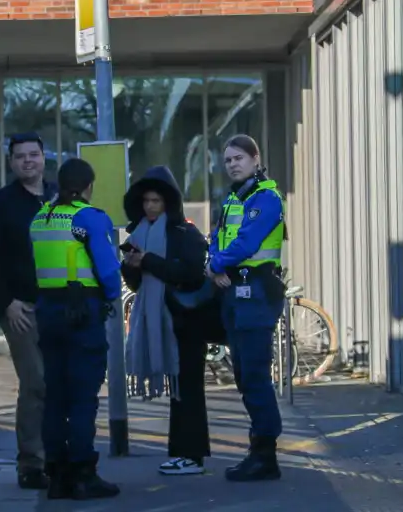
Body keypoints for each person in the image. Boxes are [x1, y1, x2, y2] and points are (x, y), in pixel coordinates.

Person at [30, 158, 122, 500]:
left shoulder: (40, 218)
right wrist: (111, 295)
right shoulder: (89, 218)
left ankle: (56, 475)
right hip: (81, 313)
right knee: (83, 398)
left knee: (56, 396)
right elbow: (109, 272)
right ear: (87, 186)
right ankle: (84, 473)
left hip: (48, 313)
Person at [0, 132, 56, 489]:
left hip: (62, 308)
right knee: (35, 383)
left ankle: (60, 456)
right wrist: (5, 304)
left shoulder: (59, 198)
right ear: (11, 162)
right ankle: (32, 462)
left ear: (43, 158)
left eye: (33, 155)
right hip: (22, 309)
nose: (27, 161)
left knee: (60, 385)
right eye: (20, 156)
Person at [121, 166, 215, 476]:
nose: (150, 206)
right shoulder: (139, 233)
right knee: (178, 392)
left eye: (156, 201)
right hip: (161, 320)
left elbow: (189, 274)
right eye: (146, 201)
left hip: (186, 323)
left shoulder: (185, 233)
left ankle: (192, 455)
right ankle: (180, 453)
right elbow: (137, 285)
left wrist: (148, 260)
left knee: (188, 388)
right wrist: (132, 265)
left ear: (168, 203)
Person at [206, 134, 286, 482]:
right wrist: (215, 263)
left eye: (239, 158)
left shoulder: (265, 198)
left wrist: (215, 265)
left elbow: (247, 241)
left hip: (255, 292)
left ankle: (265, 454)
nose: (233, 164)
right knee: (242, 373)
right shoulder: (233, 199)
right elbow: (218, 239)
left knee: (254, 374)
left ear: (256, 159)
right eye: (228, 160)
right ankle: (259, 450)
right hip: (236, 292)